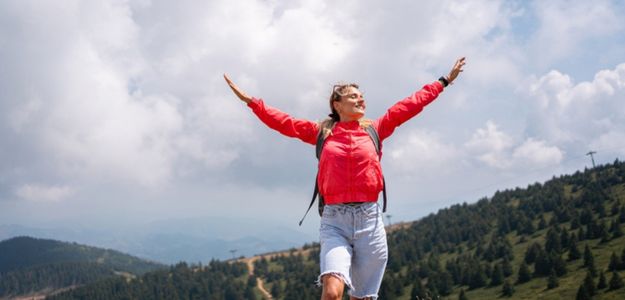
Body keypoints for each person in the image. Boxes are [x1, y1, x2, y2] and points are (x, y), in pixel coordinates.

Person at [224, 57, 466, 300]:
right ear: (336, 104)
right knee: (331, 293)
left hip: (370, 222)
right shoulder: (322, 132)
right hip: (335, 222)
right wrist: (252, 103)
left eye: (361, 96)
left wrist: (443, 81)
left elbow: (410, 105)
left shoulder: (375, 129)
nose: (360, 99)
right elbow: (285, 123)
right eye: (353, 96)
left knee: (362, 298)